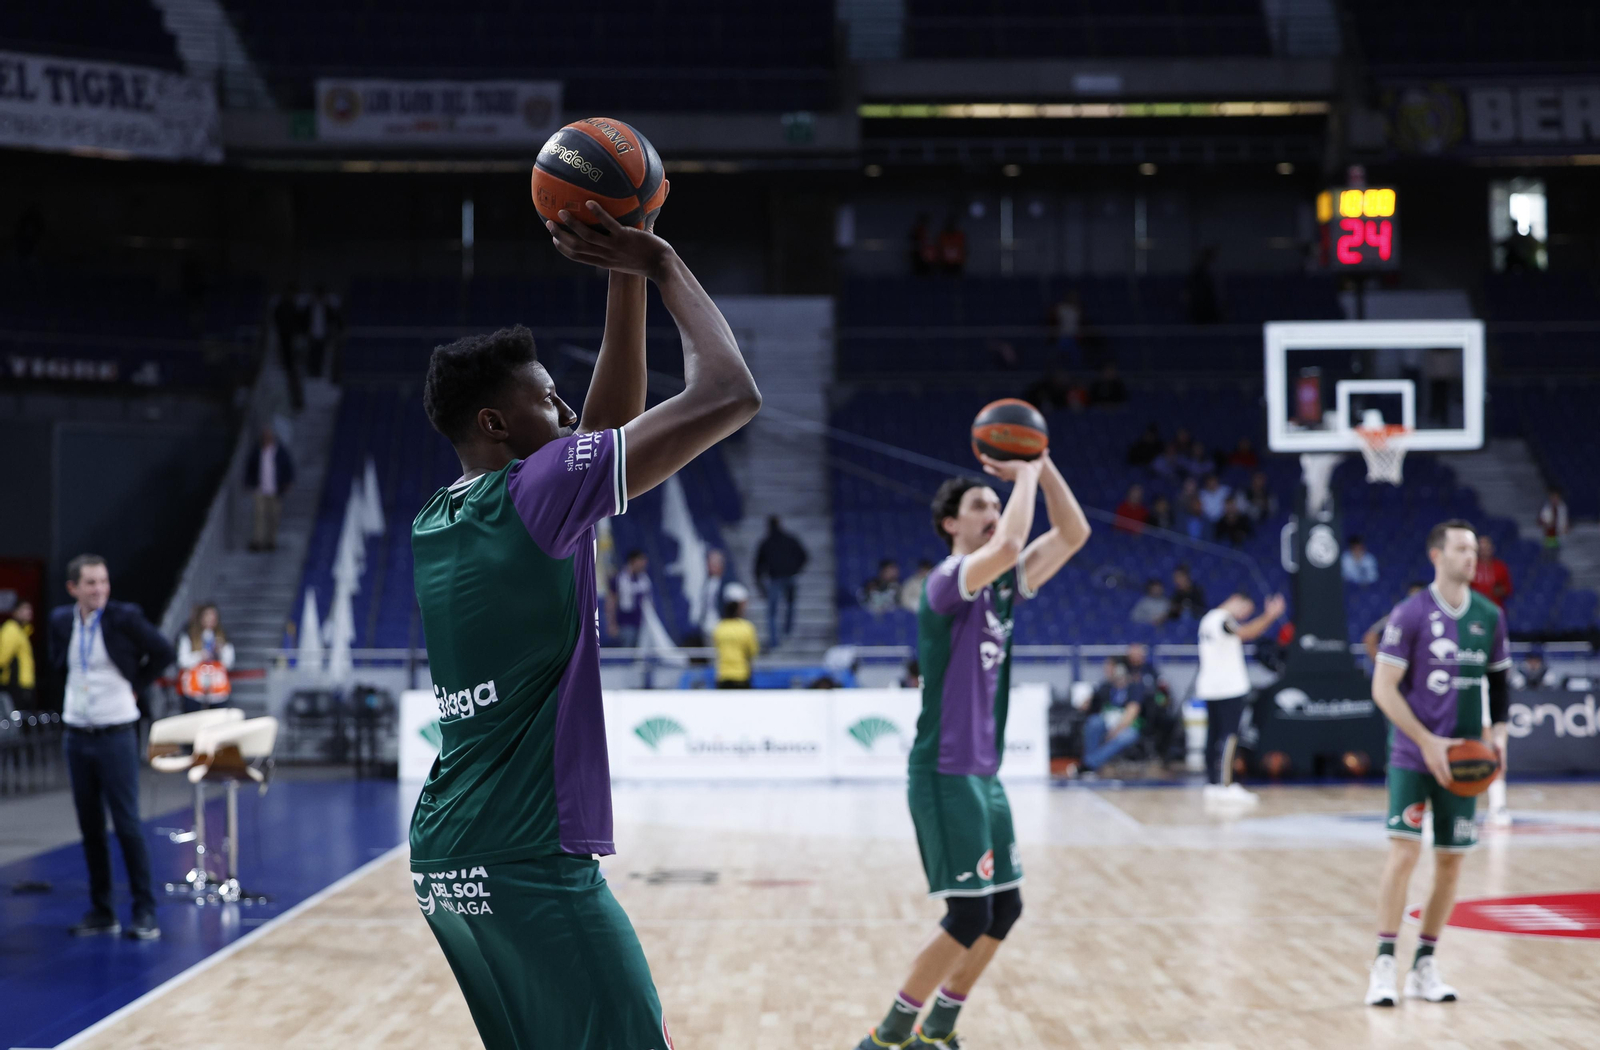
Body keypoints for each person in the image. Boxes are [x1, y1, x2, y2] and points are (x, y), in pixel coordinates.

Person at [408, 195, 760, 1050]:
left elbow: (604, 429)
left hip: (451, 857)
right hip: (530, 857)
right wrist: (663, 263)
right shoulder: (536, 492)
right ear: (496, 424)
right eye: (548, 401)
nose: (569, 416)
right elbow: (730, 393)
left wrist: (621, 275)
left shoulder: (443, 513)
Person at [851, 450, 1090, 1050]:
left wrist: (1045, 460)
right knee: (968, 916)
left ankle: (939, 1027)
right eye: (979, 504)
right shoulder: (944, 582)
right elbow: (1009, 546)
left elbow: (1073, 533)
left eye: (995, 501)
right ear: (949, 525)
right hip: (944, 769)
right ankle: (888, 1036)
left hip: (985, 775)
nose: (992, 509)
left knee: (1003, 910)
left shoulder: (1006, 585)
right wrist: (1026, 475)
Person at [1365, 520, 1510, 1008]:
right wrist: (1426, 741)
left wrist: (1500, 739)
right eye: (1461, 548)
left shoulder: (1489, 616)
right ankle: (1384, 962)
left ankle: (1424, 964)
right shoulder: (1408, 614)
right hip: (1413, 754)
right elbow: (1382, 689)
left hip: (1465, 760)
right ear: (1437, 555)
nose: (1472, 556)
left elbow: (1500, 686)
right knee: (1404, 853)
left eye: (1474, 549)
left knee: (1451, 862)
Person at [48, 554, 174, 941]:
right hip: (77, 735)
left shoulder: (123, 617)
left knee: (127, 824)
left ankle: (144, 910)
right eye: (90, 583)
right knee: (90, 827)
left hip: (116, 733)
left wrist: (137, 681)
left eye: (103, 582)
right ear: (73, 588)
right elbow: (58, 665)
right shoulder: (60, 621)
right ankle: (102, 910)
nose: (99, 589)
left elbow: (164, 652)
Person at [1195, 591, 1286, 806]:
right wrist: (1270, 616)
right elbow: (1245, 633)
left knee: (1214, 735)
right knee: (1229, 736)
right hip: (1227, 688)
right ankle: (1226, 785)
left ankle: (1213, 784)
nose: (1244, 615)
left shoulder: (1208, 619)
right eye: (1246, 610)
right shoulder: (1222, 620)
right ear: (1237, 601)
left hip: (1210, 686)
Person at [1078, 659, 1142, 775]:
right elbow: (1088, 705)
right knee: (1094, 722)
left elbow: (1131, 713)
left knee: (1126, 736)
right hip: (1107, 724)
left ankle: (1088, 764)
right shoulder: (1106, 687)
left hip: (1126, 727)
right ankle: (1092, 765)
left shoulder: (1134, 688)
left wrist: (1115, 731)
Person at [754, 515, 808, 649]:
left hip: (777, 578)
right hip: (787, 577)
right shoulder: (789, 539)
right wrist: (795, 569)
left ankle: (775, 641)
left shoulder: (767, 542)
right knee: (789, 606)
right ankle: (786, 634)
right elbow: (804, 556)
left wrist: (760, 583)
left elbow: (757, 566)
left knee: (773, 611)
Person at [176, 602, 236, 712]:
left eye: (213, 615)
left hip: (217, 691)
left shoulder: (222, 636)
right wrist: (200, 655)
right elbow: (182, 661)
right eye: (207, 615)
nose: (210, 619)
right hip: (194, 690)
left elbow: (229, 663)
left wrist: (221, 651)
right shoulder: (189, 635)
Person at [244, 425, 295, 552]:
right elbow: (250, 468)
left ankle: (271, 541)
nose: (267, 438)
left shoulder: (280, 451)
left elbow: (288, 467)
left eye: (269, 436)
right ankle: (258, 541)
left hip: (275, 490)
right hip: (260, 488)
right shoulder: (257, 451)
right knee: (259, 516)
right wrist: (248, 482)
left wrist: (287, 482)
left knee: (274, 516)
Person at [1362, 582, 1427, 667]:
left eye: (1418, 597)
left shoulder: (1438, 620)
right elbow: (1370, 637)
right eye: (1412, 596)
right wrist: (1382, 665)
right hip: (1400, 668)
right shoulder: (1396, 617)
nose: (1415, 601)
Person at [712, 583, 759, 689]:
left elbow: (716, 649)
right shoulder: (747, 628)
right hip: (741, 676)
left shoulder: (719, 627)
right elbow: (752, 652)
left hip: (723, 675)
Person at [607, 550, 653, 648]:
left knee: (640, 653)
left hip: (642, 622)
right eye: (641, 561)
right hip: (625, 623)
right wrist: (612, 623)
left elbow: (649, 601)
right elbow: (611, 602)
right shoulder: (619, 578)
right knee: (627, 649)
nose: (644, 564)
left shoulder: (644, 579)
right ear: (633, 561)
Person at [0, 599, 36, 707]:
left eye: (30, 609)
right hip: (15, 684)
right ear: (15, 612)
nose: (29, 612)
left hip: (25, 683)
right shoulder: (11, 629)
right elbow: (3, 658)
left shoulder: (23, 631)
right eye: (25, 609)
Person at [1470, 535, 1512, 606]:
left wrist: (1497, 591)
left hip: (1494, 606)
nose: (1483, 551)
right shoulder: (1470, 566)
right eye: (1481, 548)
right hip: (1474, 608)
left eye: (1486, 548)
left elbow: (1508, 589)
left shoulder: (1500, 566)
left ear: (1492, 549)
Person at [698, 549, 728, 640]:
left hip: (721, 623)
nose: (710, 566)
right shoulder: (706, 583)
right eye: (709, 563)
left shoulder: (727, 584)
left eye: (713, 564)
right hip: (707, 623)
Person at [1537, 488, 1568, 560]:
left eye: (1556, 497)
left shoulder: (1562, 507)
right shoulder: (1546, 508)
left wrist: (1565, 527)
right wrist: (1547, 524)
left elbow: (1564, 520)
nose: (1555, 499)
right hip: (1549, 536)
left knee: (1556, 554)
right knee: (1549, 554)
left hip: (1559, 535)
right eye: (1553, 497)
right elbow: (1541, 521)